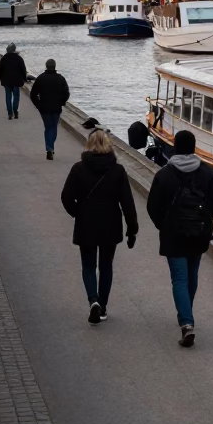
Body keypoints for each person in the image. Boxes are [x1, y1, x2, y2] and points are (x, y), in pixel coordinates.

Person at [146, 130, 213, 347]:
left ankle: (187, 322)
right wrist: (205, 219)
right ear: (194, 147)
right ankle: (186, 312)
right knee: (192, 273)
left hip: (173, 235)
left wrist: (164, 225)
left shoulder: (164, 174)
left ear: (175, 147)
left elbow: (152, 206)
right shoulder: (206, 172)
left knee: (179, 278)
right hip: (198, 232)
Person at [60, 129, 138, 324]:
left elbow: (66, 197)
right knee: (106, 266)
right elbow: (127, 202)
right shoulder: (118, 170)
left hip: (86, 222)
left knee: (88, 265)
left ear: (89, 145)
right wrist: (132, 228)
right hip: (110, 223)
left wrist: (77, 212)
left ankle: (92, 300)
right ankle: (102, 307)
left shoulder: (78, 168)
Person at [29, 58, 70, 159]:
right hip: (56, 107)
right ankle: (50, 147)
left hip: (44, 107)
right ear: (55, 66)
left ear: (46, 66)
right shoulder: (61, 78)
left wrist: (37, 105)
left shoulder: (40, 78)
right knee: (54, 127)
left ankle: (49, 148)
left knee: (48, 127)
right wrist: (62, 102)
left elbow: (33, 94)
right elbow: (66, 93)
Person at [0, 42, 27, 120]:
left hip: (6, 81)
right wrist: (24, 79)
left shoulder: (4, 58)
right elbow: (23, 70)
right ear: (14, 49)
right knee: (16, 96)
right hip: (17, 81)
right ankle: (15, 111)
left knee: (8, 96)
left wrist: (1, 78)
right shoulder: (19, 58)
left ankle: (10, 114)